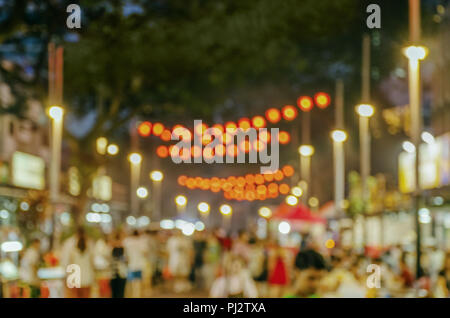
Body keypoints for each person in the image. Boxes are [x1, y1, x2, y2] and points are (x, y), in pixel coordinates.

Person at [67, 227, 95, 298]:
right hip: (87, 278)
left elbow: (71, 265)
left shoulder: (73, 251)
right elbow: (92, 264)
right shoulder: (89, 251)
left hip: (76, 278)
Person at [123, 230, 148, 298]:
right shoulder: (141, 242)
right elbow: (145, 253)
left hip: (130, 265)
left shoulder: (127, 241)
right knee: (138, 284)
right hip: (139, 265)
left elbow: (125, 255)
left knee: (130, 283)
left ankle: (130, 295)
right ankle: (136, 296)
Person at [109, 232, 127, 298]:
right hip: (113, 274)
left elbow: (126, 260)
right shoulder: (110, 249)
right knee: (115, 293)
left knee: (120, 293)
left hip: (121, 273)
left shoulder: (124, 249)